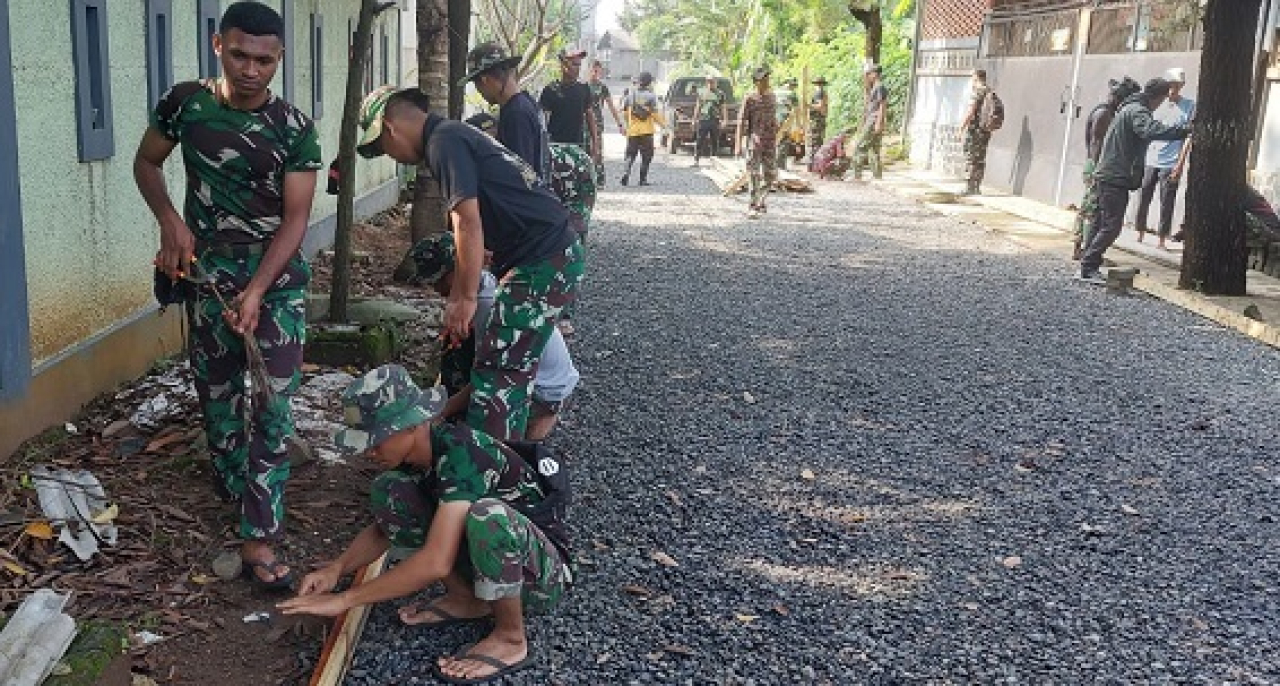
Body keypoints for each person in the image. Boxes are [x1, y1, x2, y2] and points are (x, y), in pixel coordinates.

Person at [133, 1, 319, 591]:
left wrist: (260, 290)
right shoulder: (185, 105)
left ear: (279, 59)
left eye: (265, 60)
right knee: (217, 404)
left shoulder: (294, 129)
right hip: (206, 279)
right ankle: (238, 491)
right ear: (219, 46)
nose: (251, 70)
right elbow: (146, 161)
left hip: (277, 283)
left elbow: (295, 220)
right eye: (240, 55)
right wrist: (168, 219)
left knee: (272, 405)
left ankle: (259, 537)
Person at [278, 365, 571, 685]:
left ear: (412, 426)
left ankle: (511, 638)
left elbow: (436, 561)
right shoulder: (420, 458)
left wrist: (344, 600)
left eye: (376, 440)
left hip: (540, 575)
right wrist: (337, 568)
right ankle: (467, 599)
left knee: (488, 516)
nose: (370, 451)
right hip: (495, 561)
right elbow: (382, 530)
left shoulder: (462, 454)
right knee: (391, 489)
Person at [356, 87, 584, 441]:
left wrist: (463, 298)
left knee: (498, 378)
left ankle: (485, 480)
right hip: (546, 254)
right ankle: (503, 463)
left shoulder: (441, 142)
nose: (393, 157)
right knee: (504, 369)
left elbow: (466, 220)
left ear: (389, 129)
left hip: (543, 258)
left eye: (384, 149)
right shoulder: (454, 135)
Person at [396, 233, 580, 441]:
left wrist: (441, 412)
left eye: (439, 280)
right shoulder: (485, 281)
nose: (436, 289)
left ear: (460, 268)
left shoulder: (488, 305)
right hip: (524, 371)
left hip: (545, 390)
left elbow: (490, 376)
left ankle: (534, 422)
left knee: (475, 442)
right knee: (455, 338)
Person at [1079, 77, 1190, 282]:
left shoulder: (1127, 109)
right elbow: (1149, 129)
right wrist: (1183, 131)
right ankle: (1089, 265)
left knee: (1100, 221)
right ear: (1159, 97)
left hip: (1108, 174)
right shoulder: (1138, 111)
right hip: (1115, 176)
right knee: (1112, 225)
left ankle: (1087, 263)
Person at [461, 42, 549, 184]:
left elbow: (521, 176)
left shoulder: (517, 114)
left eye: (476, 85)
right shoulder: (526, 104)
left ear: (485, 80)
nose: (479, 91)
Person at [1072, 77, 1141, 259]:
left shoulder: (1110, 113)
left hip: (1099, 165)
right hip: (1097, 165)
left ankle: (1086, 247)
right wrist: (1097, 170)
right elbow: (1096, 144)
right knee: (1091, 207)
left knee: (1093, 208)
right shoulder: (1104, 114)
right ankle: (1083, 247)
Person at [1134, 67, 1195, 250]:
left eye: (1176, 86)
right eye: (1170, 86)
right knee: (1144, 195)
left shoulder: (1189, 106)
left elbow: (1188, 138)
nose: (1172, 90)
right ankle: (1140, 231)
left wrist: (1180, 163)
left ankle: (1161, 237)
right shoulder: (1156, 104)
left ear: (1181, 86)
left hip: (1171, 161)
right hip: (1151, 158)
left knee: (1167, 200)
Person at [539, 48, 599, 169]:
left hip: (577, 146)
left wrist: (595, 143)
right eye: (574, 64)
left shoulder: (583, 88)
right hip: (555, 146)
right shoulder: (551, 90)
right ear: (563, 64)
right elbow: (542, 119)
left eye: (579, 65)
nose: (577, 68)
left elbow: (589, 115)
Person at [736, 66, 778, 219]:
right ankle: (753, 205)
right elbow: (741, 122)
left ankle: (761, 200)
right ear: (756, 82)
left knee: (771, 176)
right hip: (755, 142)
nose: (766, 82)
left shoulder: (772, 97)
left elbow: (774, 119)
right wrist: (738, 145)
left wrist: (777, 130)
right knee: (753, 174)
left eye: (767, 79)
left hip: (770, 142)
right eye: (763, 80)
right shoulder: (750, 99)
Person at [620, 71, 666, 186]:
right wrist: (664, 126)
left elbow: (625, 113)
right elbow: (655, 114)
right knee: (647, 156)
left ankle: (626, 173)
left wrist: (628, 125)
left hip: (633, 132)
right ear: (649, 83)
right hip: (647, 132)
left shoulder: (630, 95)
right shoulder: (651, 96)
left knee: (630, 154)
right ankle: (642, 179)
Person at [587, 60, 623, 186]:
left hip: (597, 123)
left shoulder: (602, 87)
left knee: (597, 150)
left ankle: (599, 179)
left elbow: (611, 107)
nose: (596, 73)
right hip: (583, 124)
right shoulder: (582, 86)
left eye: (598, 70)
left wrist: (619, 124)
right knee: (585, 150)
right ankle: (586, 179)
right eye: (594, 70)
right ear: (589, 70)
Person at [958, 69, 992, 196]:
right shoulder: (989, 91)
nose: (971, 80)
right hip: (985, 130)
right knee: (981, 158)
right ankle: (977, 186)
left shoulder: (977, 92)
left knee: (971, 157)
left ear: (976, 77)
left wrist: (961, 127)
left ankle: (969, 187)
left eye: (972, 77)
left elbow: (971, 112)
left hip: (975, 130)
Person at [852, 64, 889, 181]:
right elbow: (868, 103)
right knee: (874, 149)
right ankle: (878, 176)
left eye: (869, 74)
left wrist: (879, 122)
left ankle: (857, 175)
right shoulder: (874, 87)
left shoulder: (880, 87)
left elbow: (882, 106)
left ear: (875, 74)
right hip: (872, 119)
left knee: (859, 147)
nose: (868, 76)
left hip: (874, 120)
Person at [692, 75, 727, 167]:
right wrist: (694, 119)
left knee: (714, 141)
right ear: (706, 82)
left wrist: (725, 120)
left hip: (715, 120)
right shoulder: (702, 93)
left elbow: (723, 107)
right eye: (708, 81)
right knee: (700, 140)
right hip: (703, 120)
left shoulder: (720, 94)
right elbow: (698, 106)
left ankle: (714, 161)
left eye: (712, 81)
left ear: (716, 82)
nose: (710, 83)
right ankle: (696, 160)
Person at [775, 77, 800, 169]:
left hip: (772, 120)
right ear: (791, 85)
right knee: (783, 142)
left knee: (773, 142)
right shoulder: (792, 94)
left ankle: (771, 166)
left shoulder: (775, 92)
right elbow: (797, 110)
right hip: (784, 121)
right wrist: (798, 125)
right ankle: (780, 167)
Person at [807, 76, 829, 164]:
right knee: (818, 142)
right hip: (819, 119)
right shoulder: (822, 93)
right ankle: (816, 163)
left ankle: (814, 163)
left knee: (816, 142)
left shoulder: (820, 93)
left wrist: (808, 105)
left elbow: (820, 106)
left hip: (817, 120)